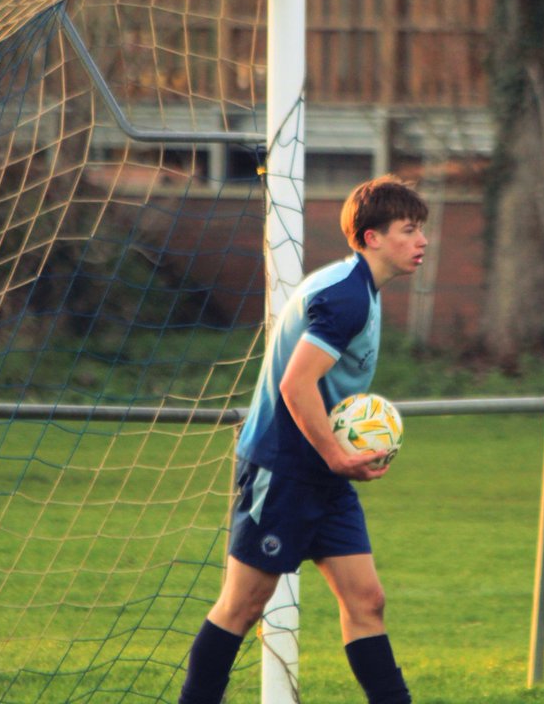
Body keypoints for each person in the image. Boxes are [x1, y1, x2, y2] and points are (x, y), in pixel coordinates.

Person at [178, 176, 429, 704]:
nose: (422, 240)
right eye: (409, 230)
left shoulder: (360, 287)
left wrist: (337, 457)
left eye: (420, 230)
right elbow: (296, 384)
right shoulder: (345, 298)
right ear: (371, 237)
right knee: (243, 606)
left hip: (322, 470)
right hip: (283, 469)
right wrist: (340, 455)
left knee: (367, 600)